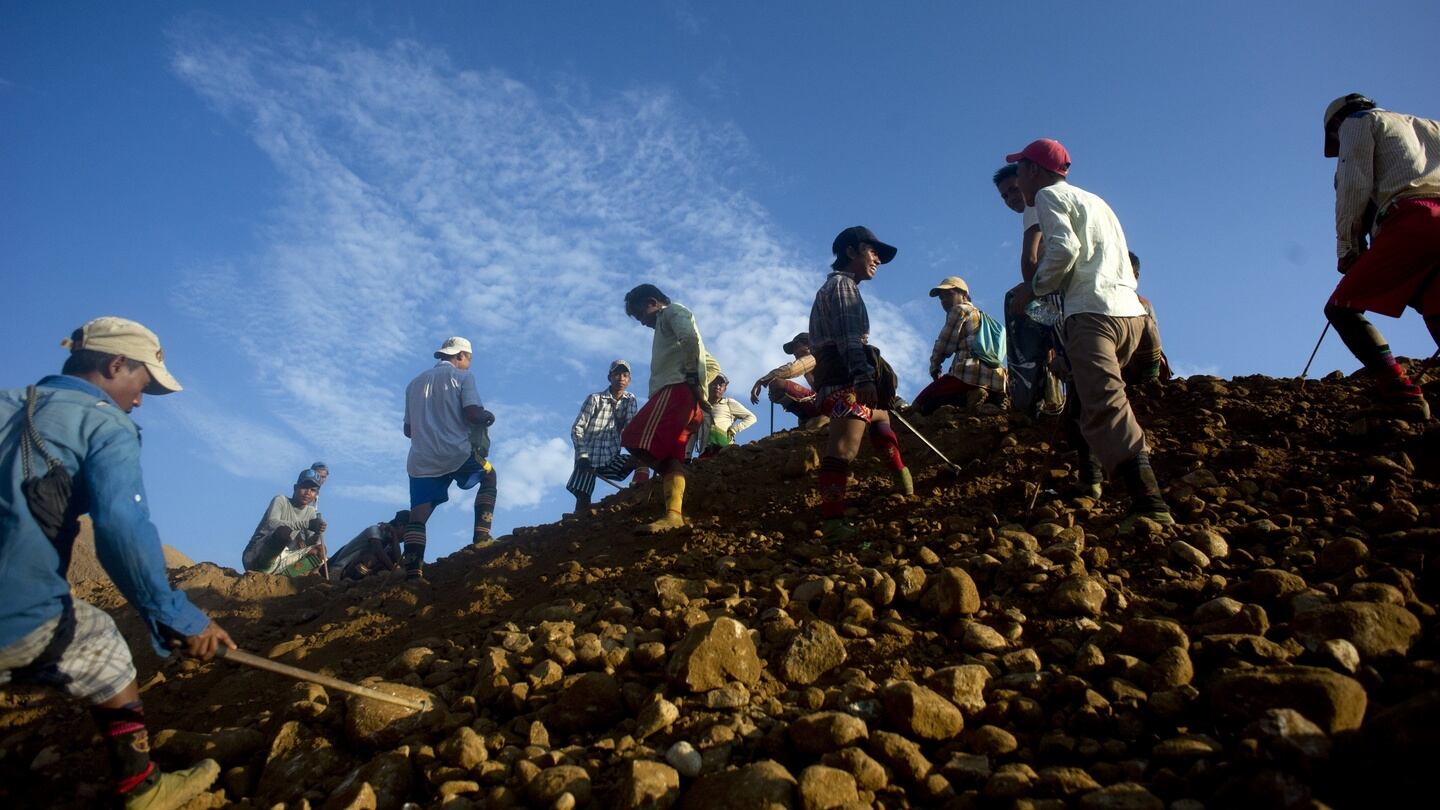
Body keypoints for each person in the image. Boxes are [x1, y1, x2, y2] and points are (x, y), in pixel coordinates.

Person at [0, 317, 234, 809]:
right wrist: (176, 617)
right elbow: (122, 529)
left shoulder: (9, 402)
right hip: (11, 608)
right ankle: (142, 788)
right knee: (102, 643)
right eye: (142, 385)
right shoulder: (105, 423)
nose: (139, 400)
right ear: (116, 365)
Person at [1010, 139, 1173, 530]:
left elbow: (1064, 250)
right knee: (1083, 402)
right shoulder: (1097, 201)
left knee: (1104, 406)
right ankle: (1092, 481)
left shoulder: (1048, 197)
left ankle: (1149, 502)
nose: (1017, 181)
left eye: (1019, 171)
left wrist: (1033, 289)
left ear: (1034, 170)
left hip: (1092, 316)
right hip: (1130, 317)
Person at [1321, 93, 1440, 420]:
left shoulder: (1358, 123)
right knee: (1432, 306)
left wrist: (1349, 248)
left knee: (1342, 308)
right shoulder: (1431, 127)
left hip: (1411, 219)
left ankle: (1401, 393)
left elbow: (1352, 183)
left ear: (1336, 124)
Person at [809, 226, 914, 542]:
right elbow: (849, 338)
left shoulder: (838, 287)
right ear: (852, 251)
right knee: (844, 448)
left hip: (839, 376)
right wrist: (863, 375)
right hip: (845, 380)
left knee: (882, 416)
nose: (878, 260)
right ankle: (833, 523)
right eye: (873, 251)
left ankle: (905, 483)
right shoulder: (843, 287)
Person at [620, 284, 721, 533]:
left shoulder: (673, 312)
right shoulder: (667, 324)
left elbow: (689, 338)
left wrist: (688, 377)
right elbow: (712, 364)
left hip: (674, 391)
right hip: (685, 394)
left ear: (652, 302)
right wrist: (699, 388)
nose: (642, 322)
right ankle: (673, 514)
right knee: (672, 456)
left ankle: (664, 483)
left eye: (640, 314)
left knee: (633, 438)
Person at [402, 336, 498, 581]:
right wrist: (487, 417)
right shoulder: (464, 378)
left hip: (421, 461)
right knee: (489, 476)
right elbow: (472, 413)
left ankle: (413, 574)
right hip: (456, 453)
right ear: (460, 356)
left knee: (418, 516)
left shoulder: (414, 384)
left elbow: (408, 430)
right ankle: (481, 537)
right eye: (469, 358)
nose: (469, 363)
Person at [995, 164, 1064, 417]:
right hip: (1066, 297)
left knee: (1015, 301)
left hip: (1056, 300)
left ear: (1025, 181)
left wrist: (1030, 291)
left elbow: (1030, 259)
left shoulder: (1036, 205)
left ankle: (1027, 399)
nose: (1011, 198)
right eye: (1005, 196)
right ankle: (1053, 347)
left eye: (1014, 190)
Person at [912, 276, 1008, 415]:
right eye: (941, 298)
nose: (944, 300)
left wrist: (935, 366)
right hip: (997, 378)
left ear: (964, 295)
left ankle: (974, 395)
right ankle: (988, 400)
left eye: (949, 294)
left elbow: (944, 344)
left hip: (968, 373)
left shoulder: (960, 310)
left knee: (923, 402)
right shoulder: (986, 319)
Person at [566, 359, 644, 515]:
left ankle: (641, 488)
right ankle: (578, 524)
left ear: (629, 380)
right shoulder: (595, 399)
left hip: (611, 457)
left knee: (642, 460)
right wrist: (582, 455)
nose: (620, 378)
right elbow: (577, 428)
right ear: (610, 377)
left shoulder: (630, 400)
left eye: (625, 375)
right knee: (582, 499)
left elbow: (630, 428)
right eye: (617, 374)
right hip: (589, 458)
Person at [242, 469, 328, 577]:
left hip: (282, 558)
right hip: (256, 555)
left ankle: (286, 577)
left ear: (316, 494)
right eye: (304, 487)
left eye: (312, 490)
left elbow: (311, 544)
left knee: (321, 550)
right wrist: (307, 524)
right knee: (283, 532)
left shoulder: (310, 512)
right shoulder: (281, 500)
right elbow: (272, 523)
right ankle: (265, 570)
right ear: (295, 487)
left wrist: (317, 532)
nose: (308, 492)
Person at [750, 332, 826, 427]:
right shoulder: (812, 365)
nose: (794, 352)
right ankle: (807, 417)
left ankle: (822, 417)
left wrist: (761, 381)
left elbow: (791, 369)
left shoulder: (814, 357)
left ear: (808, 346)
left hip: (832, 401)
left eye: (796, 347)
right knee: (775, 391)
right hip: (825, 401)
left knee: (776, 384)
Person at [327, 511, 407, 581]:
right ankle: (348, 580)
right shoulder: (375, 530)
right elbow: (378, 552)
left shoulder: (390, 543)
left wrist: (394, 537)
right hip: (340, 571)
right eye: (407, 532)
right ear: (400, 525)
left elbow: (398, 560)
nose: (406, 538)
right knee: (370, 558)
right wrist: (394, 571)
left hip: (360, 574)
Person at [691, 374, 757, 458]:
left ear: (724, 389)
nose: (717, 387)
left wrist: (734, 429)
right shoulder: (699, 407)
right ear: (707, 386)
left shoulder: (728, 402)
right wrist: (687, 455)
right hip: (705, 453)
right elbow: (692, 432)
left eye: (721, 385)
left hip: (725, 450)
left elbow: (751, 417)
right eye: (714, 384)